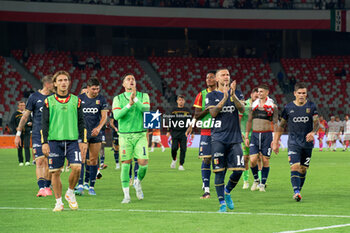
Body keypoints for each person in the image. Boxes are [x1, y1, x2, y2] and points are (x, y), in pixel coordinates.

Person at [41, 70, 88, 212]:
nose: (63, 83)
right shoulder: (48, 101)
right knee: (55, 173)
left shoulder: (76, 100)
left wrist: (84, 140)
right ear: (55, 83)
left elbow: (82, 122)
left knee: (77, 168)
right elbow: (44, 124)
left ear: (69, 82)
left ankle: (70, 193)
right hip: (54, 142)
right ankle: (58, 202)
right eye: (60, 80)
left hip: (73, 141)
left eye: (65, 80)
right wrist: (44, 142)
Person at [205, 68, 245, 212]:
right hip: (218, 139)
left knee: (239, 170)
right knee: (219, 171)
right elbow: (213, 113)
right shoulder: (211, 95)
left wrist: (233, 96)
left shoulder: (237, 93)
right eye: (223, 75)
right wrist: (224, 97)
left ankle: (227, 191)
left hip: (234, 138)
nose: (226, 77)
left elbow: (242, 110)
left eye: (228, 74)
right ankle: (222, 203)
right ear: (216, 79)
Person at [272, 82, 319, 202]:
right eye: (299, 93)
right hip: (293, 142)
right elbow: (281, 126)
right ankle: (296, 192)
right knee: (295, 167)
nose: (302, 95)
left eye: (304, 93)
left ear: (306, 94)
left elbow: (317, 123)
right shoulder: (288, 108)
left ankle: (298, 190)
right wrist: (276, 141)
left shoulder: (311, 106)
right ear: (295, 93)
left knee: (303, 169)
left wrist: (313, 132)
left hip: (307, 143)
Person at [112, 73, 150, 203]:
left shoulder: (144, 96)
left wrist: (135, 99)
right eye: (128, 79)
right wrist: (129, 104)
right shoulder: (118, 98)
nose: (131, 81)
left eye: (133, 79)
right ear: (123, 84)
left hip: (140, 134)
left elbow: (146, 109)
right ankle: (126, 195)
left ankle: (137, 182)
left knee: (143, 164)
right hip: (124, 136)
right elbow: (117, 115)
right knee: (126, 164)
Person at [15, 76, 54, 197]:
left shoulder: (55, 98)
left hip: (53, 134)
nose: (56, 86)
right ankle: (41, 188)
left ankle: (48, 186)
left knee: (49, 162)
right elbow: (25, 116)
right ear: (47, 84)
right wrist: (18, 134)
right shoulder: (34, 97)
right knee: (40, 161)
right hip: (38, 133)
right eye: (54, 83)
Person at [186, 70, 216, 199]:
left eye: (211, 77)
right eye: (207, 77)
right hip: (206, 130)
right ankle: (207, 189)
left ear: (217, 79)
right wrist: (192, 125)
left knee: (220, 160)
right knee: (206, 158)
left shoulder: (222, 94)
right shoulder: (201, 95)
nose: (208, 79)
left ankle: (220, 186)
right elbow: (197, 114)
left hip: (221, 131)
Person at [75, 77, 108, 196]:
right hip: (82, 133)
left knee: (93, 160)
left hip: (96, 133)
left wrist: (98, 128)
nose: (96, 91)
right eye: (94, 89)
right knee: (82, 158)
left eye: (98, 89)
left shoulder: (101, 99)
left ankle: (91, 186)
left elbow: (104, 117)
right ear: (88, 88)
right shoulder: (79, 99)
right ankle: (80, 185)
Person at [245, 84, 278, 192]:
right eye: (258, 92)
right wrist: (246, 136)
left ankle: (262, 184)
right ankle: (256, 180)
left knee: (265, 160)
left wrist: (275, 140)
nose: (259, 93)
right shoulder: (253, 105)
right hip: (254, 135)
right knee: (253, 160)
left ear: (267, 93)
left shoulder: (272, 106)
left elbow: (276, 123)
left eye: (261, 92)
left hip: (267, 135)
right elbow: (249, 121)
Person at [166, 95, 193, 171]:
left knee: (183, 149)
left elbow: (190, 122)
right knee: (174, 148)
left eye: (182, 100)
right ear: (177, 101)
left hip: (184, 132)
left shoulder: (187, 110)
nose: (181, 101)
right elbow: (170, 121)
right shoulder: (173, 110)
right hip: (175, 132)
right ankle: (174, 159)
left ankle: (181, 165)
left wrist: (192, 132)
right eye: (179, 100)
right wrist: (168, 131)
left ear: (184, 101)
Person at [240, 88, 259, 189]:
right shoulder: (244, 105)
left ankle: (259, 181)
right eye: (255, 96)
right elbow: (238, 119)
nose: (257, 98)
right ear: (251, 95)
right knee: (245, 158)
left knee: (258, 158)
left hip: (257, 134)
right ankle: (245, 181)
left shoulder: (261, 105)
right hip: (245, 134)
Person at [11, 101, 32, 166]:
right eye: (21, 105)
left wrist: (31, 124)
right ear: (18, 106)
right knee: (19, 146)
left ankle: (27, 161)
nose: (22, 106)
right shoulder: (15, 114)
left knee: (27, 146)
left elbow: (32, 120)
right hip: (19, 133)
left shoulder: (28, 113)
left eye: (23, 105)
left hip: (27, 132)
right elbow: (12, 123)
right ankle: (21, 161)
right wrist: (15, 128)